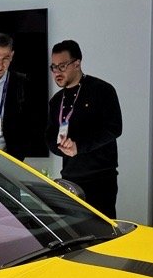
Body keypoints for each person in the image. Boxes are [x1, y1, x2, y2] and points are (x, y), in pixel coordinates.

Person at [44, 39, 123, 217]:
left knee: (101, 229)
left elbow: (114, 128)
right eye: (54, 67)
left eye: (62, 66)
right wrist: (60, 148)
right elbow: (49, 135)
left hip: (100, 178)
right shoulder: (56, 101)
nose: (57, 72)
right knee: (72, 229)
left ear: (77, 63)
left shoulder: (102, 90)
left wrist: (79, 146)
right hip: (70, 178)